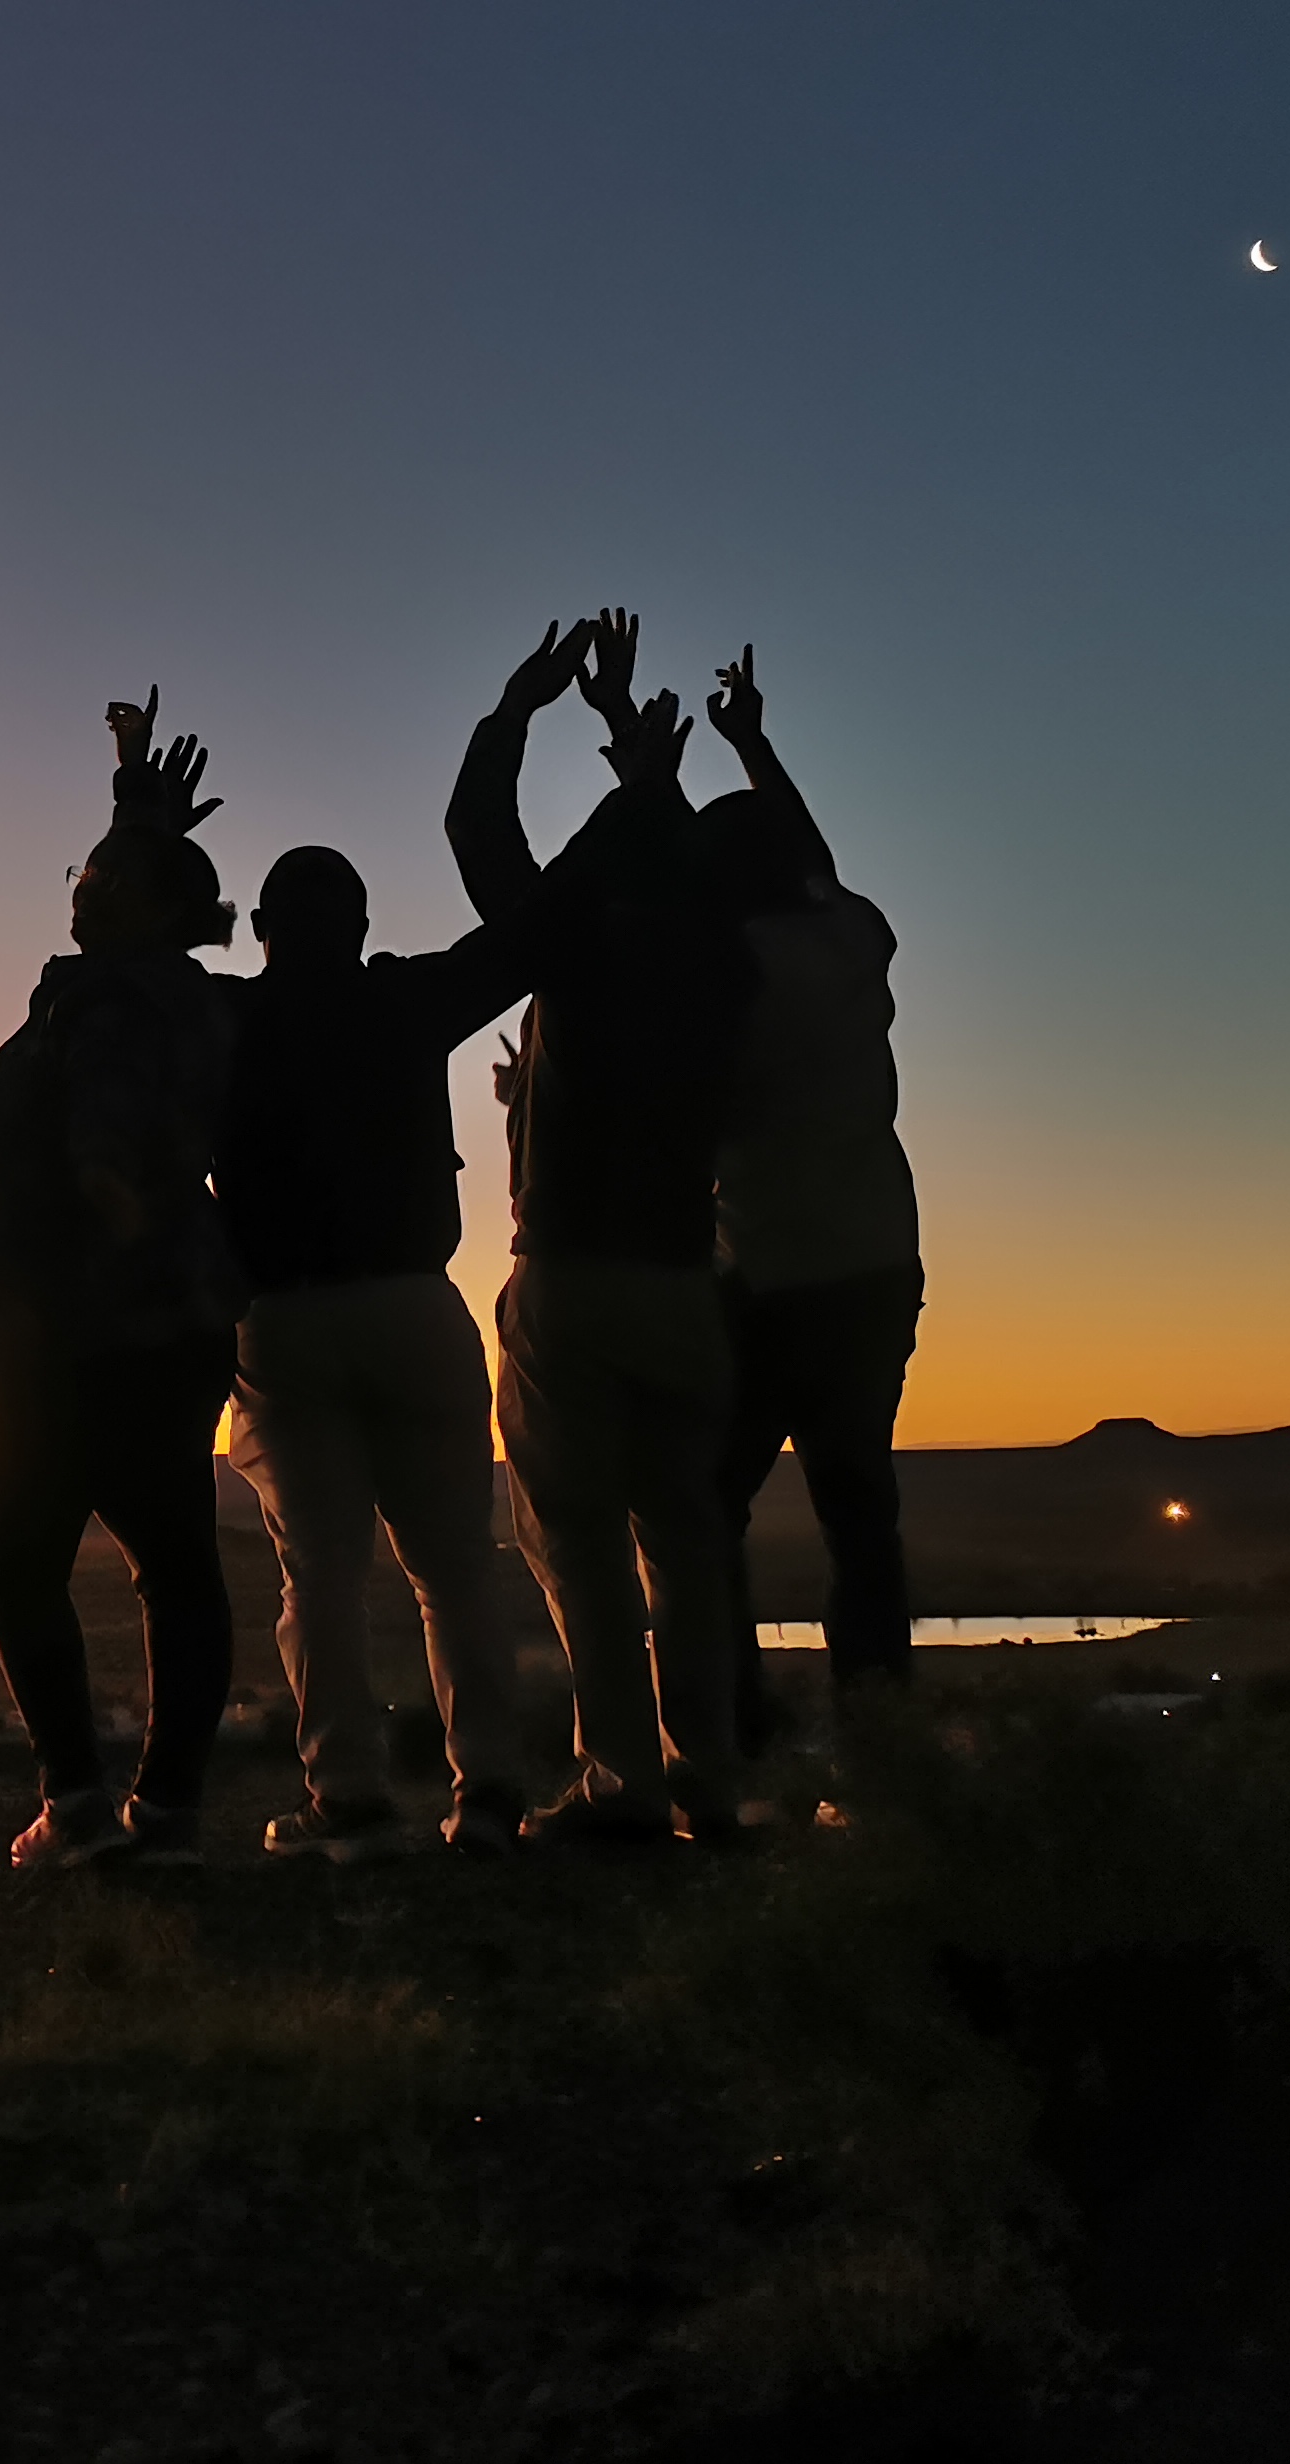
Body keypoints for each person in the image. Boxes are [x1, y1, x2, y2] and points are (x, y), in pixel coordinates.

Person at [217, 626, 599, 1865]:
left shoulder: (229, 1021)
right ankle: (485, 1794)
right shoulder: (404, 1000)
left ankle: (348, 1801)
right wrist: (516, 720)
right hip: (409, 1305)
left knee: (317, 1577)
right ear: (363, 919)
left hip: (280, 1320)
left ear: (262, 924)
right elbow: (535, 932)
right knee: (456, 1569)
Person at [473, 613, 756, 1847]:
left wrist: (519, 711)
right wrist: (651, 777)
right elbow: (675, 864)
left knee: (577, 1539)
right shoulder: (723, 964)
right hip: (682, 1274)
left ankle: (622, 1783)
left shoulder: (577, 949)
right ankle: (710, 1778)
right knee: (687, 1540)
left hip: (574, 1271)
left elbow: (480, 838)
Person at [0, 702, 248, 1870]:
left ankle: (80, 1804)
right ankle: (165, 1809)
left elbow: (107, 1108)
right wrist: (135, 804)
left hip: (71, 1330)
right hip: (166, 1324)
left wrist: (105, 1179)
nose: (79, 885)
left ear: (140, 906)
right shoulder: (174, 987)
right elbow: (149, 905)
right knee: (175, 1559)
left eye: (100, 875)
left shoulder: (109, 1001)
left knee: (24, 1561)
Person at [696, 646, 922, 1750]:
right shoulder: (851, 936)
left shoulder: (721, 973)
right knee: (858, 1509)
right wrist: (751, 744)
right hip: (876, 1261)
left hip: (765, 1274)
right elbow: (813, 858)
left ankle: (738, 1726)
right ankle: (880, 1737)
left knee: (705, 1507)